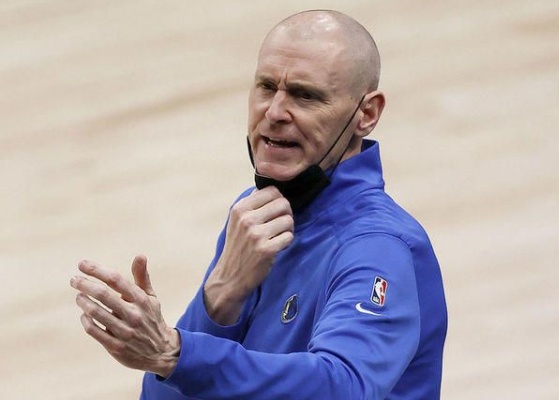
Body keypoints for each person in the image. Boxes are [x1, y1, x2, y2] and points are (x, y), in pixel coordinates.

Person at [71, 9, 447, 400]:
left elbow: (343, 387)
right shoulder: (255, 216)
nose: (275, 112)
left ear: (366, 114)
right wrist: (219, 299)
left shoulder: (379, 247)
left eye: (305, 95)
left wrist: (174, 353)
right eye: (267, 87)